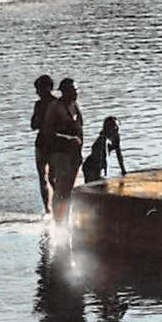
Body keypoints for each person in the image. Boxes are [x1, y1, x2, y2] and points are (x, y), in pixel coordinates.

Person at [44, 78, 85, 219]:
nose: (76, 93)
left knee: (69, 189)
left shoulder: (75, 106)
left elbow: (80, 130)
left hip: (74, 154)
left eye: (76, 90)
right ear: (64, 92)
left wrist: (80, 153)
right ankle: (58, 220)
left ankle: (66, 217)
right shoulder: (55, 107)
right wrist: (68, 139)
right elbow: (47, 133)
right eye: (73, 90)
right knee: (61, 189)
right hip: (59, 153)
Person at [30, 74, 58, 213]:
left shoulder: (57, 104)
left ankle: (55, 207)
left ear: (48, 88)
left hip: (53, 144)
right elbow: (33, 125)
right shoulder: (39, 104)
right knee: (44, 177)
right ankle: (48, 209)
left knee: (52, 177)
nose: (37, 92)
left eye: (39, 89)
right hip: (43, 144)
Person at [83, 116, 126, 184]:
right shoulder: (101, 141)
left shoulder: (116, 137)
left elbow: (119, 155)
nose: (116, 129)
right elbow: (101, 161)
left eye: (117, 127)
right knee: (96, 186)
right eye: (114, 127)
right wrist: (105, 176)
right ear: (108, 128)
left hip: (101, 164)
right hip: (90, 167)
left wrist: (124, 172)